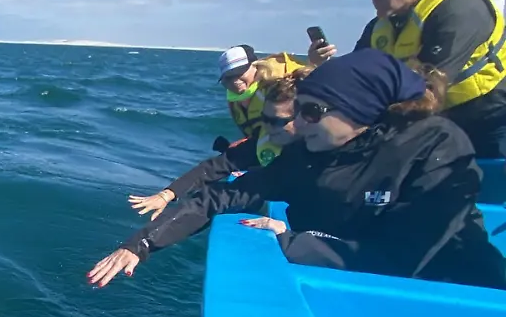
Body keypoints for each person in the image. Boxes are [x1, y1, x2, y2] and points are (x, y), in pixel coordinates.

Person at [88, 48, 506, 291]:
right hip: (350, 288)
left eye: (310, 112)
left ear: (359, 111)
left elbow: (406, 258)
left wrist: (294, 242)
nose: (296, 125)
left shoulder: (435, 146)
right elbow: (221, 194)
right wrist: (140, 244)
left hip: (457, 293)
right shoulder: (311, 152)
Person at [338, 0, 506, 160]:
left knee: (493, 181)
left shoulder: (460, 9)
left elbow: (431, 83)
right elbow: (354, 72)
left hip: (489, 112)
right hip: (435, 114)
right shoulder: (383, 21)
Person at [129, 68, 312, 221]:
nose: (268, 127)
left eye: (278, 121)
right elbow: (215, 166)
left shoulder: (327, 155)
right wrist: (167, 194)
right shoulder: (264, 142)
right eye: (264, 118)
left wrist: (287, 234)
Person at [218, 45, 309, 140]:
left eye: (239, 73)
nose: (235, 81)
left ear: (256, 65)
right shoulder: (235, 101)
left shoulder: (277, 84)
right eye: (228, 77)